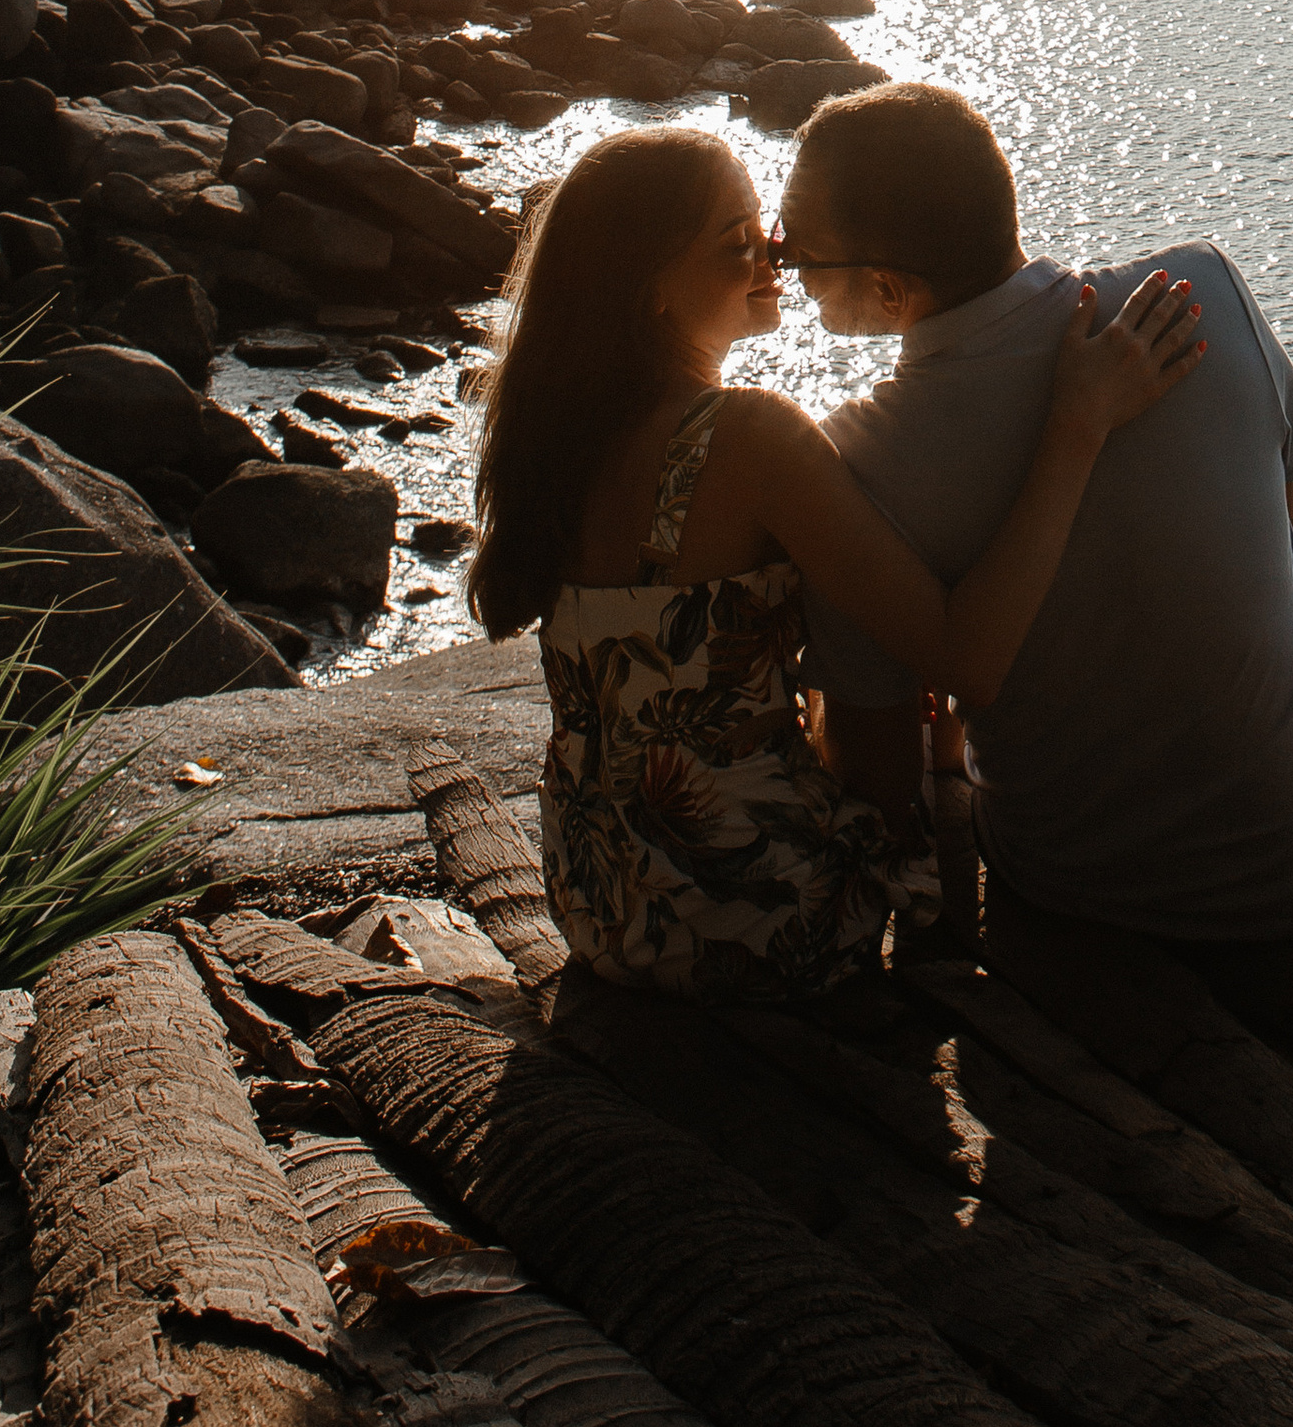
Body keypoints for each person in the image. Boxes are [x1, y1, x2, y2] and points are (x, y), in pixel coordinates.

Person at [781, 81, 1293, 940]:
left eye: (797, 256)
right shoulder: (1193, 296)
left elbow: (874, 773)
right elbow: (1282, 538)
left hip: (1061, 880)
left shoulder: (853, 466)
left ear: (888, 289)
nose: (788, 271)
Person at [465, 123, 1202, 997]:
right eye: (740, 243)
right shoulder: (746, 437)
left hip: (604, 906)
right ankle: (954, 946)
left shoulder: (564, 445)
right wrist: (1077, 426)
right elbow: (970, 658)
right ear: (651, 291)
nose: (774, 258)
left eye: (769, 236)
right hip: (755, 914)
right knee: (908, 702)